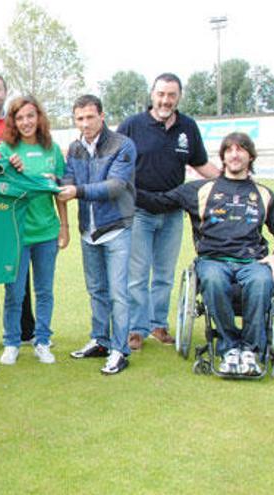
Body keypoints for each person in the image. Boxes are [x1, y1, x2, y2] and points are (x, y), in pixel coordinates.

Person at [136, 132, 274, 375]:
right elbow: (157, 202)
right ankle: (229, 348)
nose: (234, 154)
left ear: (250, 156)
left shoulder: (264, 194)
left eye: (240, 149)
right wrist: (124, 188)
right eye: (229, 150)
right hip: (213, 260)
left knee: (262, 279)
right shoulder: (200, 190)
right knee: (212, 279)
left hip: (252, 261)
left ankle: (252, 350)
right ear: (222, 156)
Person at [116, 73, 219, 351]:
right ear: (152, 94)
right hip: (139, 211)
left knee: (164, 274)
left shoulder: (188, 127)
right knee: (137, 274)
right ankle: (136, 329)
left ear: (179, 97)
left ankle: (158, 325)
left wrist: (231, 181)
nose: (165, 100)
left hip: (173, 212)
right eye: (161, 94)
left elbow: (201, 164)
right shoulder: (132, 125)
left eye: (171, 95)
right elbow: (113, 161)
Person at [60, 95, 136, 375]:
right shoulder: (76, 147)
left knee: (118, 293)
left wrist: (76, 191)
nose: (85, 123)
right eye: (79, 119)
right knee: (96, 290)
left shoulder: (122, 145)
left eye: (90, 117)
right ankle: (101, 340)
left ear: (102, 116)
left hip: (116, 227)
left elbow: (115, 186)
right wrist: (54, 183)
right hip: (88, 230)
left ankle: (120, 350)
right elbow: (68, 178)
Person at [0, 96, 69, 366]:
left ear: (39, 117)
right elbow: (2, 190)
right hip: (16, 234)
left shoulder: (52, 150)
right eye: (20, 118)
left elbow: (60, 193)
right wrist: (12, 172)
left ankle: (42, 341)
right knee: (15, 292)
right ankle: (12, 342)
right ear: (13, 122)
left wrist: (64, 227)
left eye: (30, 116)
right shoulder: (6, 150)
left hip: (47, 232)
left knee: (45, 291)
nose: (26, 122)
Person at [0, 72, 37, 348]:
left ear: (4, 91)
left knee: (17, 272)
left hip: (13, 212)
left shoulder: (15, 124)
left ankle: (26, 329)